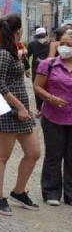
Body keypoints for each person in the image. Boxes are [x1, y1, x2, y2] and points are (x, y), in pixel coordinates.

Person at [0, 14, 41, 216]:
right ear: (18, 30)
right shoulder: (1, 53)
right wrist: (19, 107)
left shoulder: (13, 51)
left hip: (22, 112)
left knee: (34, 152)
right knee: (3, 156)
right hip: (7, 111)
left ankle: (18, 192)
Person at [33, 32, 72, 206]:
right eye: (62, 43)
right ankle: (51, 192)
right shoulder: (48, 65)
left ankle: (70, 194)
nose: (65, 47)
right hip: (53, 117)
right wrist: (50, 98)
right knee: (54, 155)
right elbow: (37, 87)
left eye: (69, 44)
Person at [27, 27, 51, 116]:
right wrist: (26, 68)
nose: (41, 38)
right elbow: (27, 56)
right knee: (37, 89)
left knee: (49, 89)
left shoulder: (52, 45)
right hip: (37, 70)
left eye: (43, 36)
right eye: (39, 36)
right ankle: (40, 109)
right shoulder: (32, 44)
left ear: (47, 34)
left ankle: (48, 108)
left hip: (49, 71)